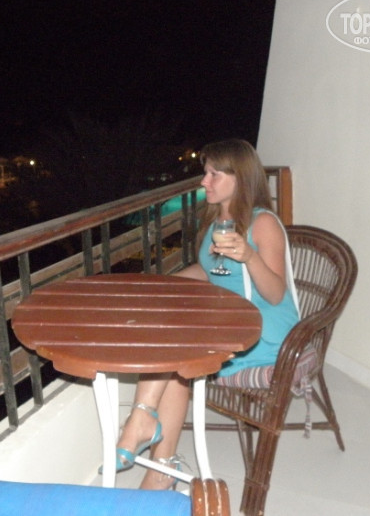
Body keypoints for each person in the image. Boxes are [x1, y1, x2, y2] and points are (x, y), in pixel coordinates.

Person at [112, 139, 300, 490]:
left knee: (174, 346)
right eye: (205, 173)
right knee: (174, 356)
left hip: (263, 331)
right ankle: (160, 470)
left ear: (240, 177)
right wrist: (164, 284)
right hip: (228, 320)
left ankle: (142, 424)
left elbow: (276, 294)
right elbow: (209, 270)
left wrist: (249, 257)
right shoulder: (217, 220)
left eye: (215, 174)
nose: (204, 181)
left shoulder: (262, 223)